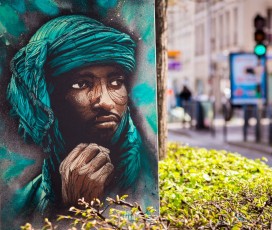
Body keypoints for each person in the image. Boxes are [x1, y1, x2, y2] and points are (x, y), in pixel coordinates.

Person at [4, 15, 157, 223]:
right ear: (47, 100)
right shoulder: (26, 200)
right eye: (81, 84)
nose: (105, 101)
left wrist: (78, 211)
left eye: (115, 81)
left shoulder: (145, 178)